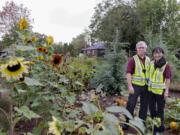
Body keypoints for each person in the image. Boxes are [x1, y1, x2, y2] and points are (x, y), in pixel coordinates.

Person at [123, 41, 150, 130]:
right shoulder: (132, 60)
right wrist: (130, 86)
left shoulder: (148, 59)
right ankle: (126, 122)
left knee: (144, 105)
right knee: (131, 104)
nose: (141, 49)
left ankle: (141, 123)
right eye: (139, 48)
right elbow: (128, 73)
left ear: (146, 49)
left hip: (146, 86)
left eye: (143, 47)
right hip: (135, 86)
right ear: (137, 49)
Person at [148, 47, 172, 134]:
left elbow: (168, 79)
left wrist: (166, 91)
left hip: (160, 91)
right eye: (155, 53)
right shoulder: (151, 63)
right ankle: (154, 126)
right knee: (152, 108)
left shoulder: (166, 65)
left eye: (159, 53)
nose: (157, 55)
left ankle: (159, 127)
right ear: (153, 54)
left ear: (162, 54)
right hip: (150, 91)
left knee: (160, 110)